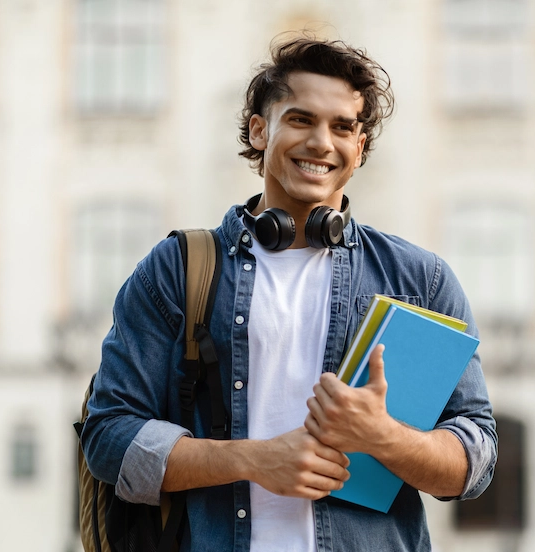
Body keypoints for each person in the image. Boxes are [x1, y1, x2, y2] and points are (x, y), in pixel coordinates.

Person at [81, 36, 497, 551]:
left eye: (343, 127)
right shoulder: (177, 270)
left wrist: (382, 436)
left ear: (359, 148)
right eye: (301, 119)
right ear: (260, 129)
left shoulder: (421, 281)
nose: (322, 142)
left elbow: (474, 461)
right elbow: (108, 438)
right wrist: (253, 459)